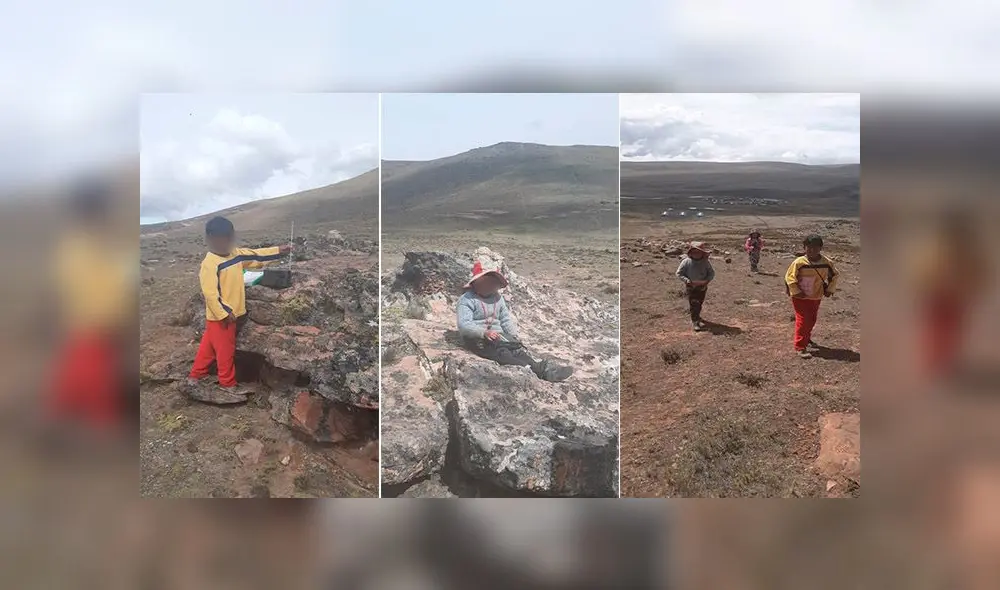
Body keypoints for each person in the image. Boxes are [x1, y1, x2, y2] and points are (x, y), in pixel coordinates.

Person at [186, 216, 291, 402]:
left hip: (226, 316)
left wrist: (278, 251)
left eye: (228, 239)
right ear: (209, 239)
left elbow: (256, 255)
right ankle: (227, 384)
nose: (224, 244)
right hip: (222, 318)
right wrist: (224, 313)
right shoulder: (209, 264)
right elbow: (210, 294)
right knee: (225, 352)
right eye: (220, 240)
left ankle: (196, 375)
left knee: (208, 347)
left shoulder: (236, 255)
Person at [456, 260, 573, 382]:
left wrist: (513, 336)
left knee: (518, 351)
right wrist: (483, 333)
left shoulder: (497, 298)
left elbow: (505, 319)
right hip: (478, 339)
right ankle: (529, 370)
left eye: (493, 282)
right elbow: (464, 324)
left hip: (499, 337)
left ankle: (544, 370)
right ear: (476, 282)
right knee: (503, 354)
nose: (490, 285)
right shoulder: (467, 300)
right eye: (486, 281)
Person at [784, 234, 840, 358]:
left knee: (812, 319)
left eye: (815, 247)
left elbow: (835, 275)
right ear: (804, 248)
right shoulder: (799, 262)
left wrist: (830, 289)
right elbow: (789, 277)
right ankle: (800, 346)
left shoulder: (826, 263)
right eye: (809, 247)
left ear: (820, 248)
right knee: (803, 320)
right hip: (800, 296)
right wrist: (796, 291)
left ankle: (806, 337)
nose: (812, 250)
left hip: (816, 295)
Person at [675, 242, 715, 332]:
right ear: (691, 252)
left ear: (702, 253)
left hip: (702, 287)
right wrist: (686, 280)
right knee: (694, 304)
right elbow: (679, 273)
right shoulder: (686, 262)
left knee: (699, 303)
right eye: (694, 252)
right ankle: (695, 321)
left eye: (698, 252)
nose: (696, 254)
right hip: (691, 287)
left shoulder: (705, 262)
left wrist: (707, 281)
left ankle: (697, 316)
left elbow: (711, 273)